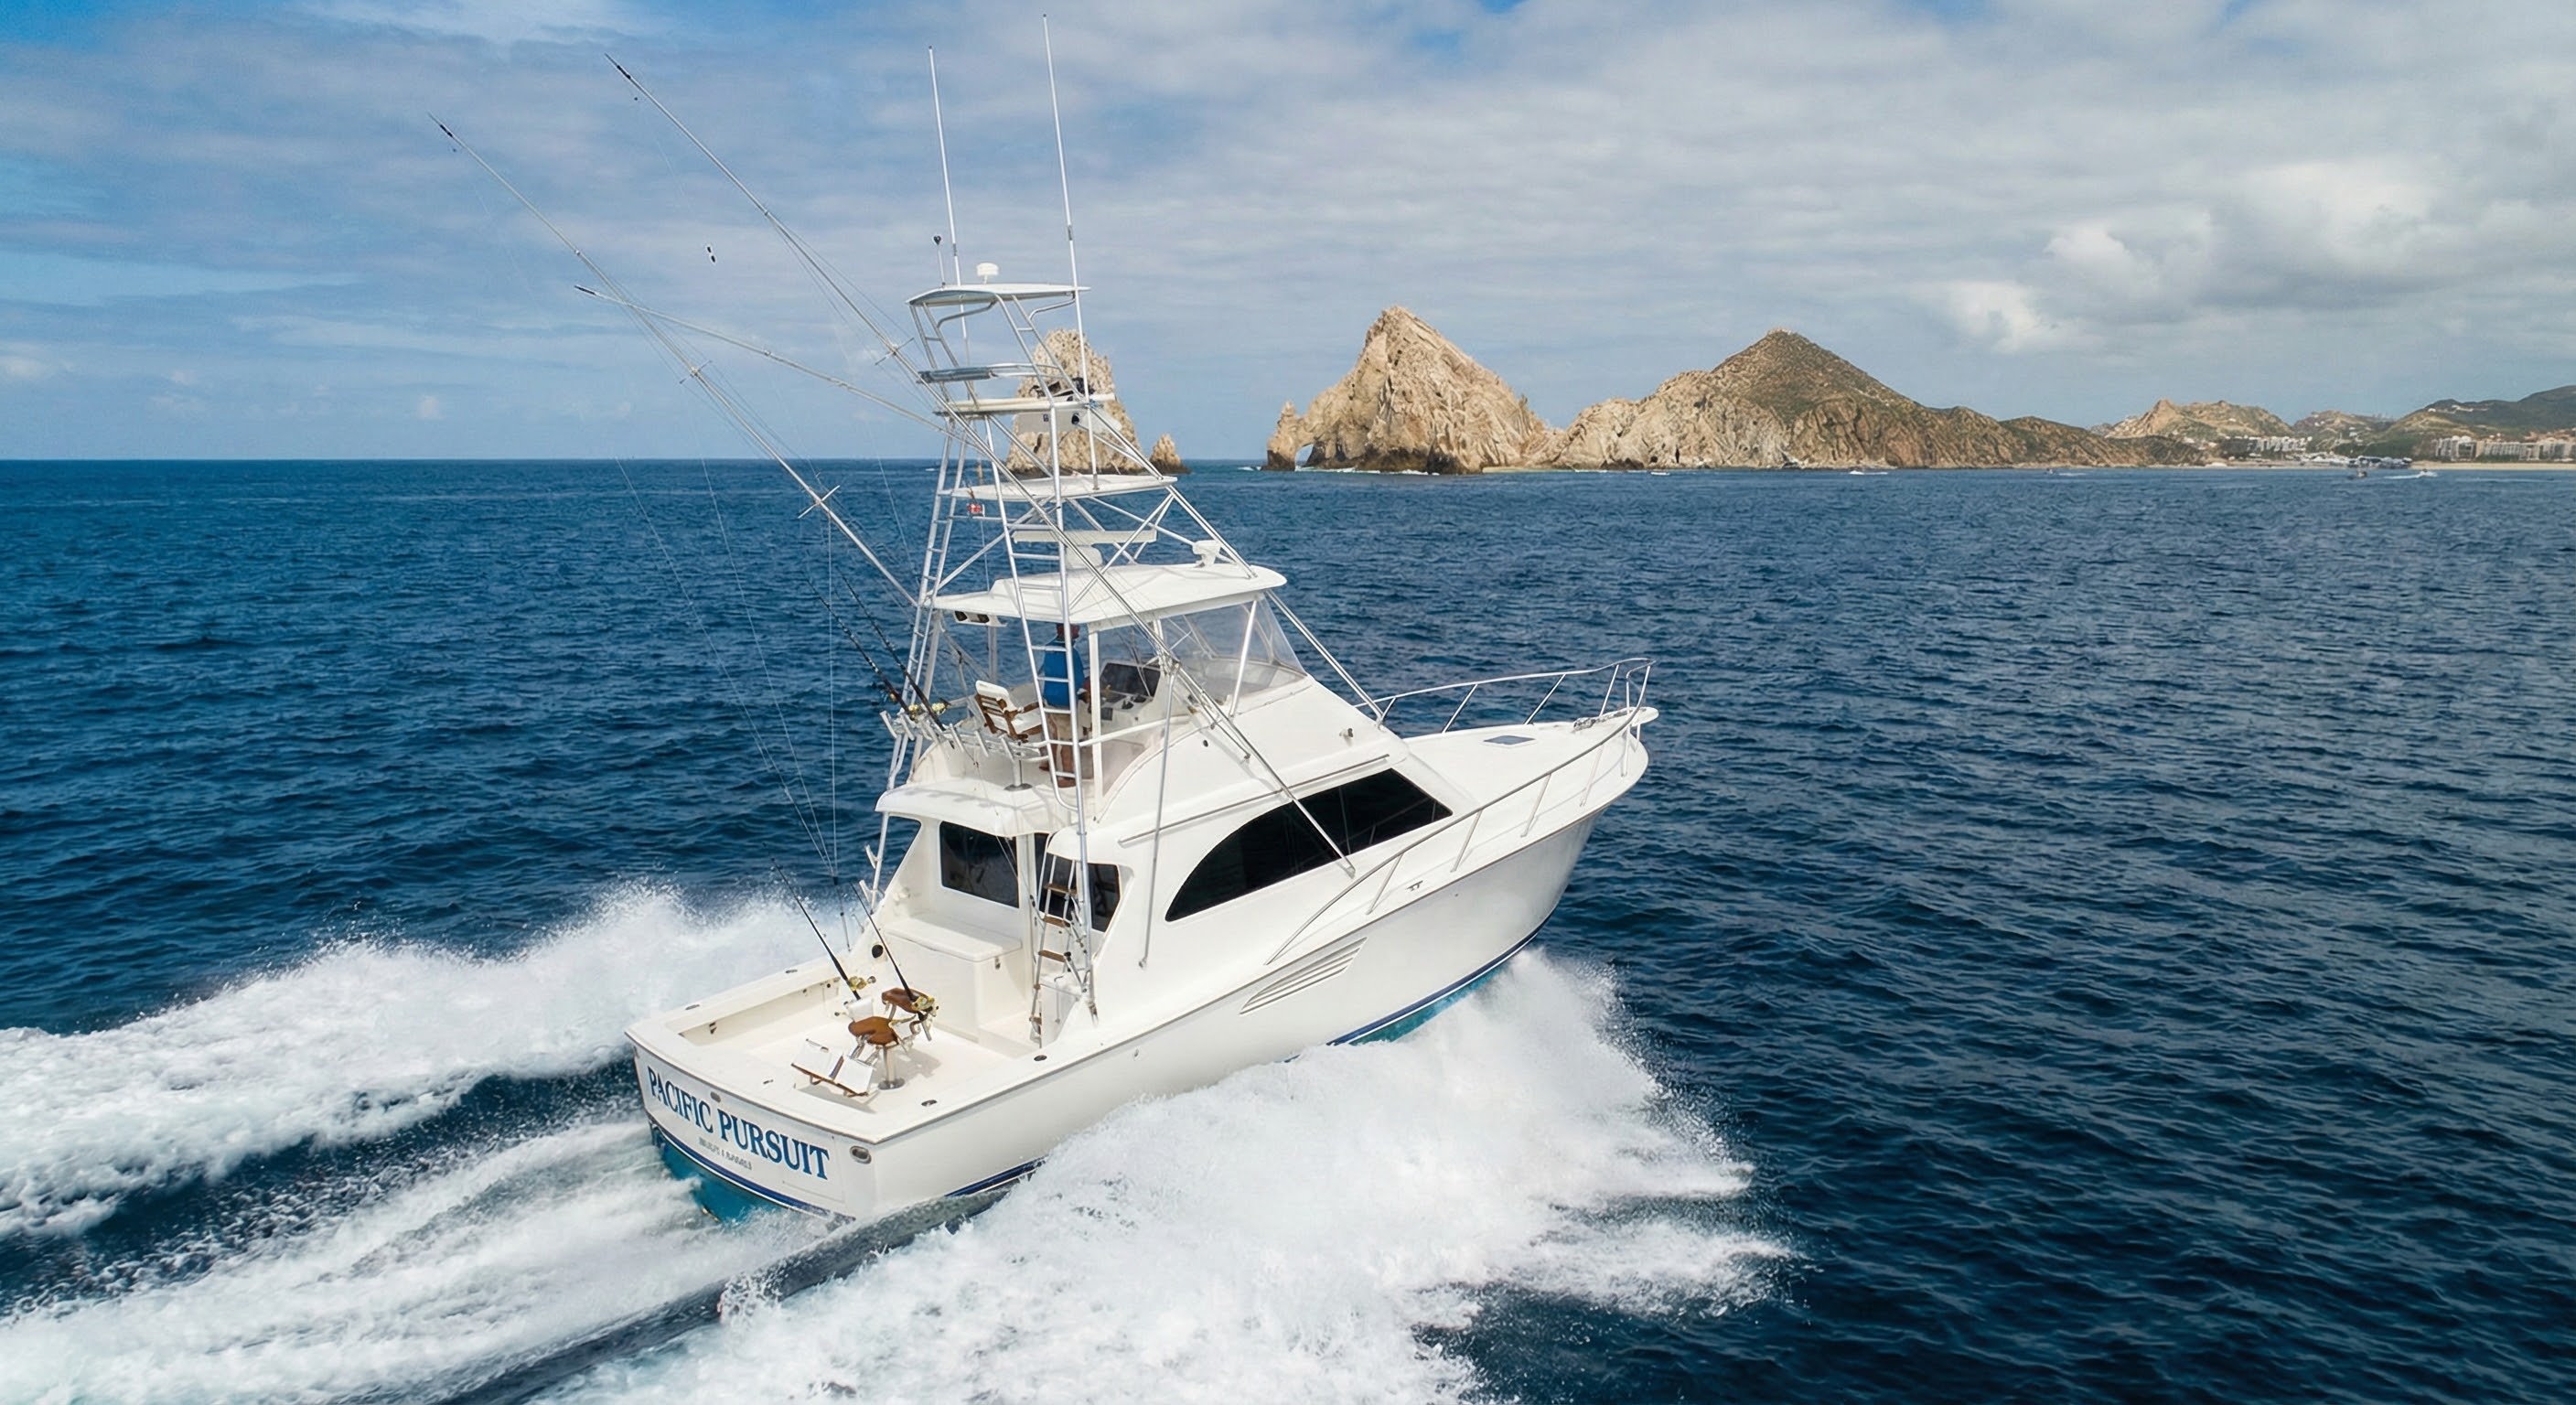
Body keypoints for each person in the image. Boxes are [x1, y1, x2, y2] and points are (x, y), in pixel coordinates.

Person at [1036, 623, 1087, 710]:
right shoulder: (1073, 654)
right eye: (1076, 626)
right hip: (1066, 701)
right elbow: (1080, 680)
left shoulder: (1047, 650)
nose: (1078, 629)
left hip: (1049, 699)